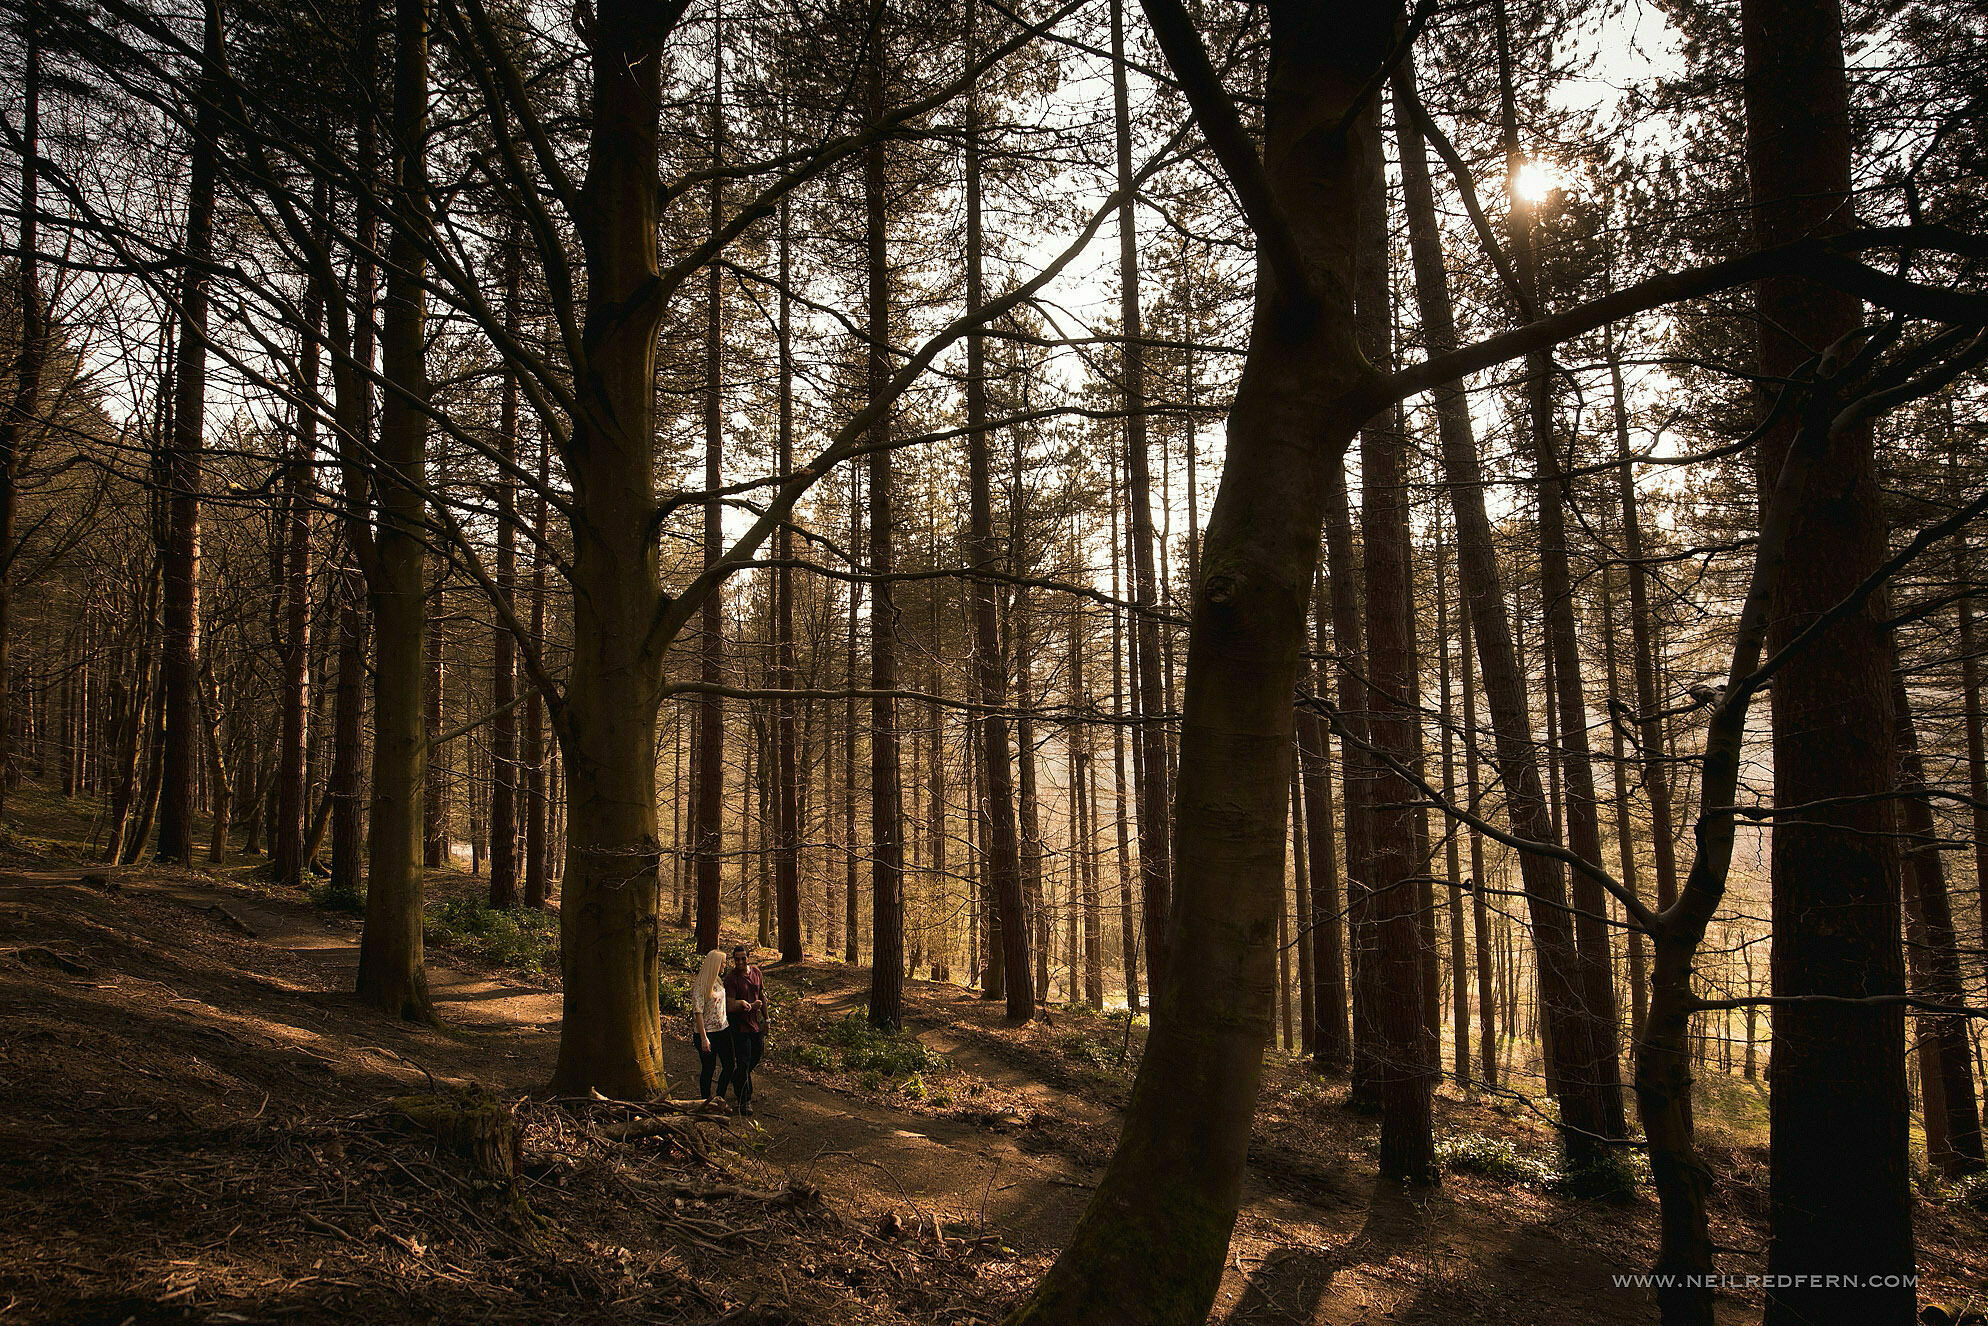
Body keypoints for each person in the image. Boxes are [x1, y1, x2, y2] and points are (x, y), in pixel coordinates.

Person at [720, 944, 767, 1116]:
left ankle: (737, 1078)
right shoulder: (731, 979)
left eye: (743, 958)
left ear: (748, 957)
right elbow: (729, 1006)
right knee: (744, 1062)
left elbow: (762, 996)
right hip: (739, 1027)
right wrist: (748, 1006)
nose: (739, 962)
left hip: (756, 1024)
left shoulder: (756, 972)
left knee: (755, 1057)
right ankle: (744, 1099)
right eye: (736, 959)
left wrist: (767, 1019)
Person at [690, 949, 733, 1107]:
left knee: (729, 1065)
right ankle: (705, 1100)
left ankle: (719, 1097)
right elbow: (698, 1012)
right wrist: (703, 1038)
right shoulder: (701, 985)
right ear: (715, 964)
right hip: (707, 1033)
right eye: (723, 963)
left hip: (723, 1030)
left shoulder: (718, 981)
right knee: (708, 1068)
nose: (724, 966)